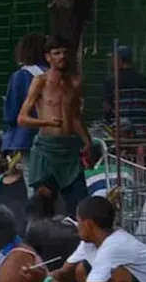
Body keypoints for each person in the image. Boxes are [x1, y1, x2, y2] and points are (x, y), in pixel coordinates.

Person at [17, 36, 92, 216]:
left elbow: (75, 116)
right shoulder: (40, 82)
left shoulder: (75, 83)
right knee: (43, 205)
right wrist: (46, 122)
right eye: (56, 53)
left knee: (79, 203)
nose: (61, 57)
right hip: (46, 147)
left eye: (65, 53)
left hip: (69, 149)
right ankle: (39, 239)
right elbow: (22, 118)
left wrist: (87, 141)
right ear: (48, 57)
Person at [2, 33, 48, 155]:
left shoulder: (22, 75)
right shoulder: (52, 74)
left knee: (31, 172)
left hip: (27, 136)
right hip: (53, 133)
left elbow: (12, 112)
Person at [105, 46, 146, 138]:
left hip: (120, 135)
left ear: (118, 59)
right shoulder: (145, 81)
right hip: (142, 133)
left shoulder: (112, 82)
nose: (111, 62)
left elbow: (107, 108)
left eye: (113, 58)